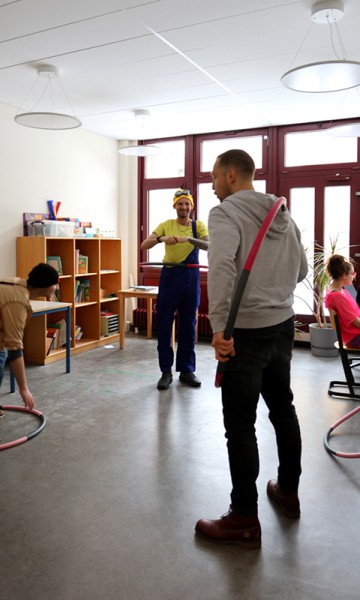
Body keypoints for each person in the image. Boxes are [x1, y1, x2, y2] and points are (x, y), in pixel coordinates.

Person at [195, 149, 308, 549]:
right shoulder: (282, 213)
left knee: (240, 425)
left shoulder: (224, 213)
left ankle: (244, 517)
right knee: (283, 409)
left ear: (230, 175)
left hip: (244, 333)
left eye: (213, 177)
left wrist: (219, 328)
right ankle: (288, 492)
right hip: (282, 327)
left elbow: (221, 269)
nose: (211, 186)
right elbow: (302, 270)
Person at [0, 263, 60, 446]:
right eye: (55, 283)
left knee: (0, 356)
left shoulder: (19, 285)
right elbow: (15, 348)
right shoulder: (17, 301)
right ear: (45, 286)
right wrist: (24, 388)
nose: (57, 287)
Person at [141, 188, 209, 390]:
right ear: (175, 206)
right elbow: (145, 245)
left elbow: (208, 245)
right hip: (170, 278)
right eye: (180, 203)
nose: (184, 207)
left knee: (188, 326)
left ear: (191, 206)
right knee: (164, 326)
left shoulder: (198, 226)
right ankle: (165, 372)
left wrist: (188, 239)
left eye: (187, 203)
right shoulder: (166, 225)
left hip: (190, 279)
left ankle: (187, 370)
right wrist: (161, 239)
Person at [325, 254, 360, 347]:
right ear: (344, 275)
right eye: (353, 274)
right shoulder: (336, 296)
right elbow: (356, 323)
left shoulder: (341, 292)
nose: (354, 276)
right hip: (354, 337)